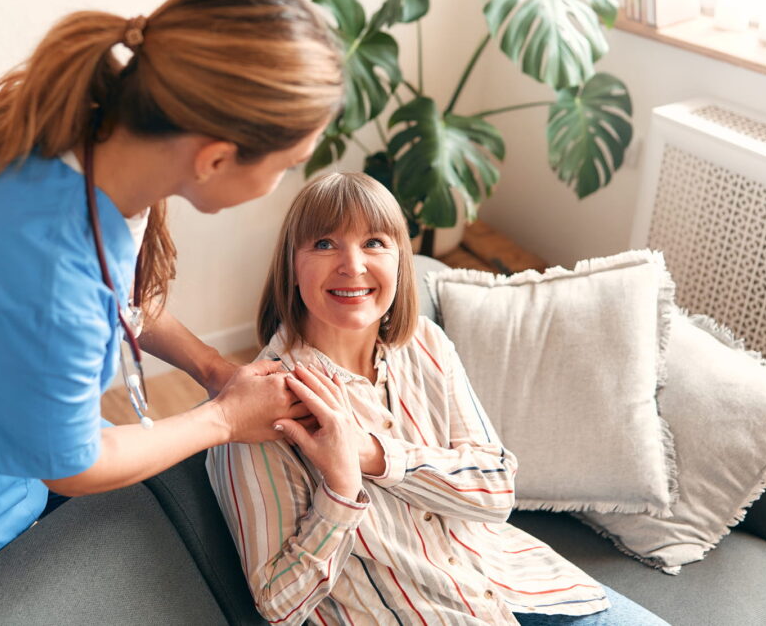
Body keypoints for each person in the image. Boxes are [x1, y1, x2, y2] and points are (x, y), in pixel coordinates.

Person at [0, 0, 343, 614]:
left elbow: (116, 295)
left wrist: (215, 371)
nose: (286, 180)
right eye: (288, 165)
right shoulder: (37, 274)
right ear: (214, 157)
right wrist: (224, 420)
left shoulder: (87, 136)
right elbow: (72, 464)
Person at [206, 172, 670, 625]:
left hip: (521, 586)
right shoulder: (262, 406)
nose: (353, 265)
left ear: (400, 260)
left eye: (374, 243)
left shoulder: (425, 342)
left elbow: (496, 490)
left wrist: (371, 454)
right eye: (324, 244)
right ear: (291, 265)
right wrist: (341, 492)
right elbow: (278, 606)